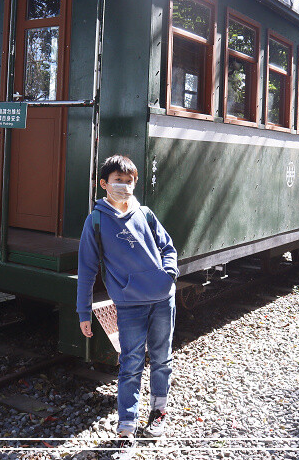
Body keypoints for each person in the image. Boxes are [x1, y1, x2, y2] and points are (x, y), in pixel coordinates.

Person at [76, 154, 178, 455]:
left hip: (162, 299)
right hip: (130, 305)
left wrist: (168, 274)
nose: (124, 186)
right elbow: (86, 269)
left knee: (162, 359)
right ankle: (127, 426)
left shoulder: (145, 213)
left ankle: (159, 412)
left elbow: (167, 247)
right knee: (130, 365)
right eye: (118, 181)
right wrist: (84, 311)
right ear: (104, 184)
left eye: (130, 182)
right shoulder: (95, 221)